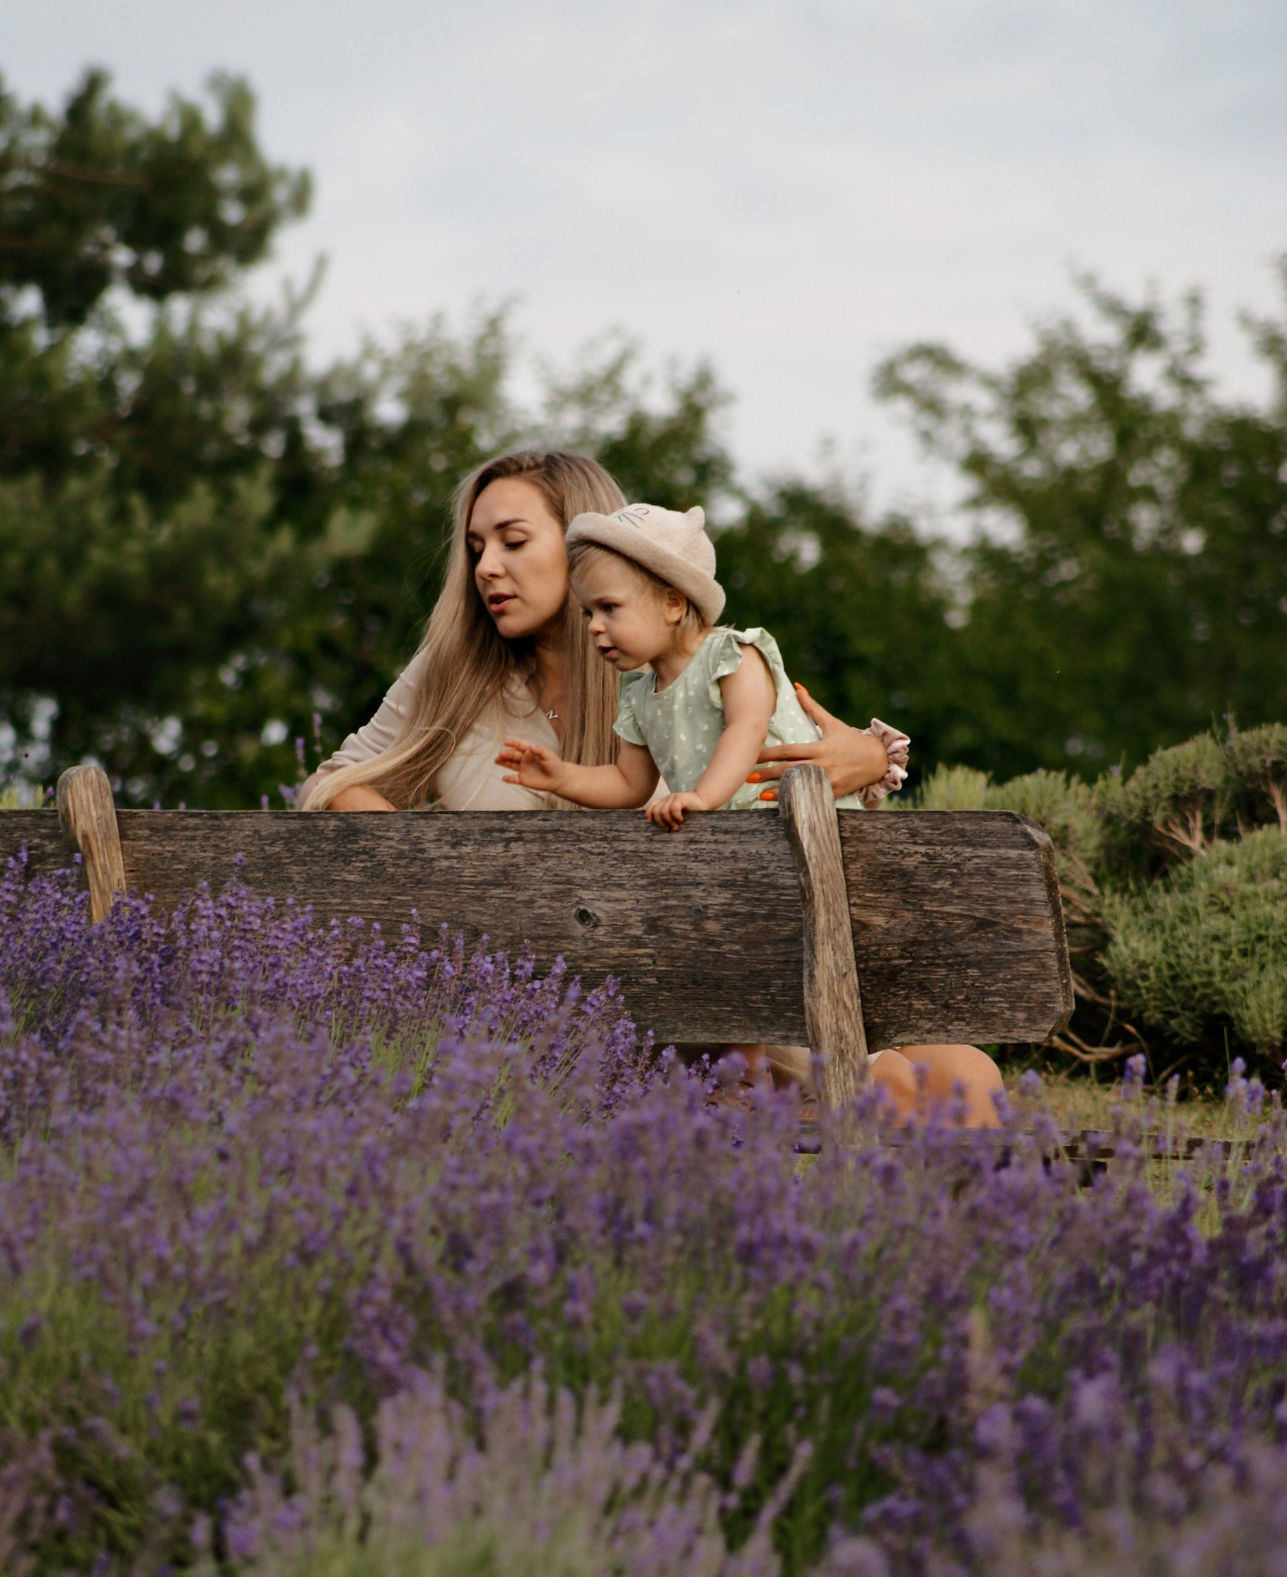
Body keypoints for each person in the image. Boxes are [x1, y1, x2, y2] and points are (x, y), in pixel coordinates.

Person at [301, 448, 1002, 1126]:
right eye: (476, 546)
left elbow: (777, 766)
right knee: (902, 1090)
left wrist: (868, 760)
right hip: (543, 1015)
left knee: (966, 1078)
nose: (487, 567)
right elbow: (336, 778)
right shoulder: (452, 672)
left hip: (700, 999)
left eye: (513, 541)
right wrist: (432, 867)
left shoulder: (674, 673)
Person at [495, 500, 902, 829]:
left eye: (609, 607)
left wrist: (703, 798)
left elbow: (748, 727)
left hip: (812, 826)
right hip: (736, 844)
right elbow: (629, 784)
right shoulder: (640, 695)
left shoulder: (730, 655)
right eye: (588, 613)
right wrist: (562, 777)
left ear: (672, 603)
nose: (594, 627)